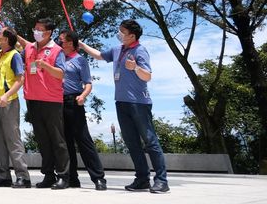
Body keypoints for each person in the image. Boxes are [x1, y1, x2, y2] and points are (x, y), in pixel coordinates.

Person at [80, 19, 169, 193]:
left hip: (139, 103)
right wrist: (83, 46)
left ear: (132, 36)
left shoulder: (140, 50)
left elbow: (147, 76)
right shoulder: (117, 50)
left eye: (122, 32)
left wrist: (135, 67)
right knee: (132, 143)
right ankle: (142, 179)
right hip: (121, 102)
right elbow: (99, 55)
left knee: (150, 142)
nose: (119, 34)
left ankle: (161, 180)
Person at [18, 18, 69, 189]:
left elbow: (61, 74)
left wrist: (45, 65)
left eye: (40, 29)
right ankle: (48, 175)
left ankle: (63, 176)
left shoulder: (57, 50)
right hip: (33, 99)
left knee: (57, 140)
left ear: (49, 33)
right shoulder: (30, 48)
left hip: (51, 101)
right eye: (35, 28)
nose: (36, 32)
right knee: (42, 140)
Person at [59, 29, 107, 191]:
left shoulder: (80, 60)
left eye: (63, 40)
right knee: (65, 143)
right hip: (58, 102)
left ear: (72, 43)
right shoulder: (57, 58)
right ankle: (72, 178)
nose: (61, 43)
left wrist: (83, 96)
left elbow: (88, 83)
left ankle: (98, 178)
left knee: (83, 140)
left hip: (74, 100)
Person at [0, 28, 31, 188]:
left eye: (0, 35)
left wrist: (6, 96)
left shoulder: (14, 56)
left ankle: (23, 177)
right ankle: (4, 176)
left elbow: (20, 79)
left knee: (13, 139)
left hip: (8, 102)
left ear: (7, 39)